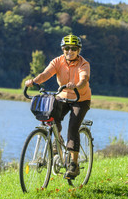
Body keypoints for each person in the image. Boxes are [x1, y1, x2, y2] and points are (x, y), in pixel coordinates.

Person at [25, 34, 91, 179]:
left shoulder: (83, 64)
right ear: (63, 49)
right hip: (62, 96)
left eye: (73, 48)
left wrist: (77, 86)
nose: (70, 51)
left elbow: (84, 79)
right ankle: (57, 142)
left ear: (78, 50)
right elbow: (45, 74)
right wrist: (34, 82)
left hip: (81, 99)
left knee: (73, 127)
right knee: (52, 117)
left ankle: (74, 165)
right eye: (67, 48)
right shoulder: (58, 61)